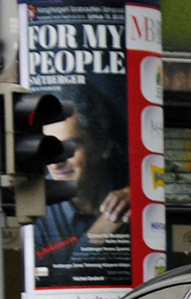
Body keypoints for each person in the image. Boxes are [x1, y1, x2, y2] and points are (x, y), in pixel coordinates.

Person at [32, 94, 130, 287]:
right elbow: (51, 285)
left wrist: (143, 194)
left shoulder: (134, 186)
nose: (57, 163)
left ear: (103, 146)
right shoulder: (36, 207)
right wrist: (100, 231)